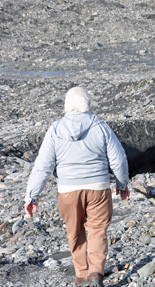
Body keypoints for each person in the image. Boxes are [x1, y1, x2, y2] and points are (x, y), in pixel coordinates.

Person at [24, 86, 130, 287]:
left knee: (74, 231)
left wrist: (32, 196)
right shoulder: (100, 126)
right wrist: (122, 183)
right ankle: (96, 274)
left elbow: (43, 166)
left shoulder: (55, 129)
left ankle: (82, 275)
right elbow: (119, 159)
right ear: (88, 104)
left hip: (68, 190)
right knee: (98, 230)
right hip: (98, 187)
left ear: (66, 106)